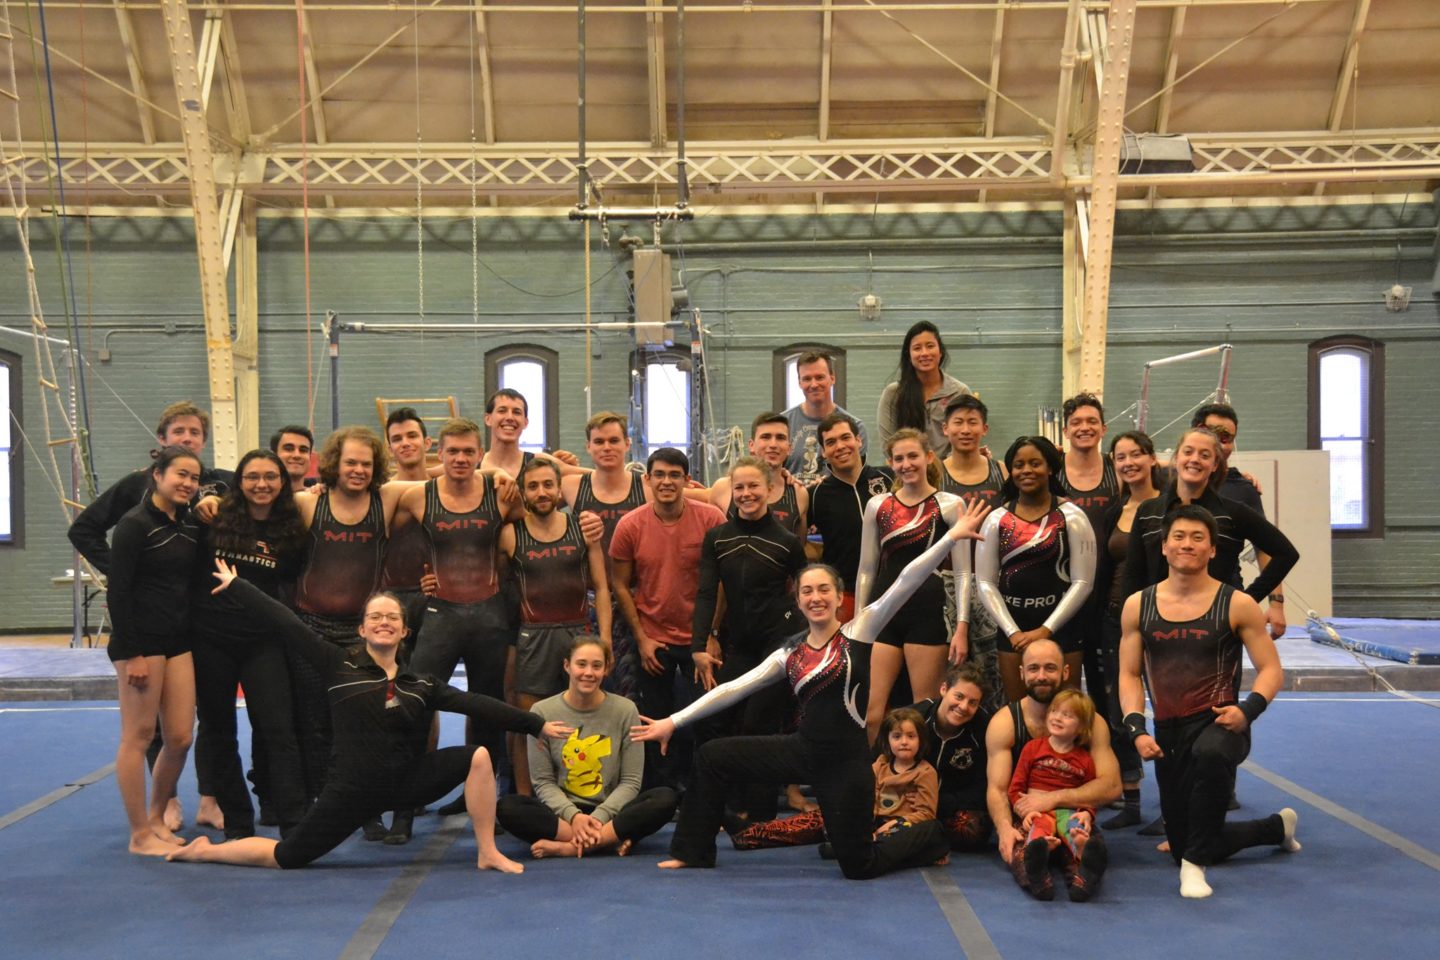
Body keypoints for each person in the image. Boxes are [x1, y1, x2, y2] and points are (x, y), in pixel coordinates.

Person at [630, 498, 989, 880]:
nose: (815, 598)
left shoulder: (861, 631)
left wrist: (950, 537)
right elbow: (734, 688)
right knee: (712, 756)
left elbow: (906, 580)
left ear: (838, 598)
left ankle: (930, 836)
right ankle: (694, 851)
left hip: (847, 765)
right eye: (807, 592)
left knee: (858, 866)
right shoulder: (790, 653)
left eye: (823, 591)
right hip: (801, 752)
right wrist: (673, 721)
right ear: (798, 601)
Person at [167, 563, 571, 873]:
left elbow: (478, 704)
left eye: (392, 618)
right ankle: (208, 852)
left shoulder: (420, 683)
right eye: (375, 617)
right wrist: (239, 587)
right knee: (286, 857)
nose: (383, 622)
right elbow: (285, 622)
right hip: (350, 791)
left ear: (404, 632)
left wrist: (535, 724)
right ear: (361, 629)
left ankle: (487, 852)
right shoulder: (337, 664)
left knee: (477, 756)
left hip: (407, 783)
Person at [1118, 505, 1301, 899]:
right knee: (1186, 839)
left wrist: (1247, 710)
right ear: (1164, 547)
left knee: (1211, 756)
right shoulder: (1138, 605)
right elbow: (1130, 674)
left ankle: (1193, 868)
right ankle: (1275, 828)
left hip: (1222, 721)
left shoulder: (1236, 604)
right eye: (1179, 537)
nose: (1188, 544)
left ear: (1213, 550)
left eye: (1198, 538)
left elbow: (1271, 669)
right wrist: (1136, 728)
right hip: (1169, 729)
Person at [68, 400, 233, 830]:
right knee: (144, 733)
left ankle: (183, 806)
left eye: (195, 433)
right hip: (143, 632)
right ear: (160, 447)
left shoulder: (204, 498)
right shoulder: (136, 509)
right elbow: (85, 534)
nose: (187, 439)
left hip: (186, 628)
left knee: (187, 730)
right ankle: (151, 819)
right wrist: (122, 567)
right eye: (179, 432)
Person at [189, 450, 308, 841]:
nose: (262, 484)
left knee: (279, 730)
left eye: (270, 477)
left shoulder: (290, 529)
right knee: (219, 730)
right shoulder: (214, 519)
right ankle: (238, 824)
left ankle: (294, 823)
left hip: (263, 642)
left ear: (282, 480)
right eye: (253, 476)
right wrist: (199, 501)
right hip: (212, 640)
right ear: (239, 481)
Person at [690, 457, 808, 819]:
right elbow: (708, 592)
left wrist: (803, 640)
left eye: (753, 486)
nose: (746, 494)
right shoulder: (717, 538)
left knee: (760, 723)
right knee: (716, 718)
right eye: (739, 487)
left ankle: (759, 814)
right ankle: (727, 806)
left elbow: (806, 592)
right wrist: (699, 645)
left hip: (777, 644)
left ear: (770, 490)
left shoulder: (786, 541)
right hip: (737, 643)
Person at [495, 637, 679, 859]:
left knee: (665, 799)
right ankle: (608, 841)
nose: (589, 673)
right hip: (562, 814)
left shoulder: (626, 710)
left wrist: (600, 817)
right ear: (567, 666)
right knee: (508, 807)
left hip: (611, 812)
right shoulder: (541, 711)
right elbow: (543, 782)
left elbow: (631, 782)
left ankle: (571, 847)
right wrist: (574, 817)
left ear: (606, 669)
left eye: (596, 666)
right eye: (581, 664)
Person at [106, 445, 203, 856]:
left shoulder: (189, 524)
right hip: (141, 643)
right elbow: (118, 591)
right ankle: (138, 834)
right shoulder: (134, 525)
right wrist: (131, 654)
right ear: (157, 475)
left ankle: (156, 816)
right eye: (180, 474)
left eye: (195, 478)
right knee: (139, 735)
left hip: (178, 641)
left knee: (180, 736)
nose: (188, 483)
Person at [609, 448, 726, 790]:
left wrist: (711, 633)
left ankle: (704, 791)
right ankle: (662, 793)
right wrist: (641, 638)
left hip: (699, 640)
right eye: (659, 474)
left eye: (675, 475)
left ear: (687, 480)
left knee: (704, 717)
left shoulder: (711, 520)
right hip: (653, 639)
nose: (666, 482)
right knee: (655, 718)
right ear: (647, 480)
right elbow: (619, 582)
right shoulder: (630, 525)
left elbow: (721, 581)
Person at [497, 457, 611, 795]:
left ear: (560, 489)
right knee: (527, 721)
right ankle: (523, 798)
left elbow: (602, 588)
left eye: (548, 484)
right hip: (532, 636)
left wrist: (604, 641)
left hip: (579, 633)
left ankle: (582, 794)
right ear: (522, 492)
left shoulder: (583, 528)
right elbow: (488, 582)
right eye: (533, 486)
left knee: (584, 717)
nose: (542, 492)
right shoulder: (509, 534)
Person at [854, 428, 972, 740]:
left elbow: (962, 573)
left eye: (913, 456)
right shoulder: (877, 505)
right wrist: (858, 624)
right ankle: (868, 783)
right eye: (899, 458)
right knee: (870, 713)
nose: (906, 464)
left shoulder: (949, 505)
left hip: (927, 613)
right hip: (883, 614)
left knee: (924, 712)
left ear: (929, 457)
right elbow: (867, 568)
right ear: (891, 463)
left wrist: (962, 626)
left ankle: (922, 784)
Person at [1120, 427, 1298, 625]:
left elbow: (1286, 554)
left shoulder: (1232, 513)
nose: (1195, 459)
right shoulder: (1148, 511)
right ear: (1176, 458)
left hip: (1216, 626)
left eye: (1205, 455)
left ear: (1215, 465)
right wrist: (1131, 625)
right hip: (1156, 624)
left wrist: (1248, 599)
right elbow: (1133, 575)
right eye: (1188, 452)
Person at [983, 638, 1120, 894]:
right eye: (1033, 669)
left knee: (1087, 853)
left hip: (1071, 812)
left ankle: (1080, 879)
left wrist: (1053, 800)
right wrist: (1003, 829)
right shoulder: (1006, 723)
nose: (1041, 676)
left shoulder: (1092, 723)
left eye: (1050, 668)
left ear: (1065, 672)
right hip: (1027, 817)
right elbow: (998, 788)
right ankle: (1039, 878)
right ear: (1022, 674)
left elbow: (1111, 786)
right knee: (1025, 856)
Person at [975, 436, 1096, 702]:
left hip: (1062, 628)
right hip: (1013, 629)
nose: (1026, 470)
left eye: (1035, 463)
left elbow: (1083, 582)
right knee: (1020, 712)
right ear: (1011, 470)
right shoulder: (997, 520)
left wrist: (1046, 629)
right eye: (1019, 465)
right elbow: (984, 582)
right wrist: (1011, 631)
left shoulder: (1072, 517)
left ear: (1050, 467)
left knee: (1067, 713)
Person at [726, 706, 938, 853]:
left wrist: (895, 822)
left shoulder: (924, 772)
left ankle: (847, 847)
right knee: (816, 820)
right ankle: (752, 834)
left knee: (899, 834)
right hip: (868, 821)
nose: (904, 742)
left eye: (911, 737)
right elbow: (863, 796)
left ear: (921, 740)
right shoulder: (880, 765)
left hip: (897, 825)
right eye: (897, 736)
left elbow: (926, 813)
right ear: (887, 740)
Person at [1095, 430, 1161, 829]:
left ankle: (1174, 806)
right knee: (1119, 709)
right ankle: (1132, 798)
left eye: (1137, 454)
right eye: (1121, 457)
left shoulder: (1169, 506)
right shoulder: (1113, 510)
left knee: (1167, 710)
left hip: (1159, 618)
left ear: (1152, 459)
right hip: (1115, 619)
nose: (1129, 462)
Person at [562, 411, 650, 699]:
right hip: (586, 601)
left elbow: (708, 496)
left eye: (614, 440)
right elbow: (525, 478)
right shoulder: (572, 485)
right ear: (588, 447)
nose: (607, 447)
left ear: (627, 443)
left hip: (634, 599)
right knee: (587, 682)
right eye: (599, 441)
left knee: (631, 685)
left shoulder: (645, 486)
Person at [1190, 402, 1288, 641]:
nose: (1218, 443)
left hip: (1225, 601)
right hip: (1177, 600)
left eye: (1227, 438)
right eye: (1212, 433)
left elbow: (1265, 547)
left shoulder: (1242, 489)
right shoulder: (1168, 481)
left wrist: (1275, 603)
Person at [937, 393, 1006, 709]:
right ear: (944, 429)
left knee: (992, 677)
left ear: (985, 429)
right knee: (952, 674)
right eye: (958, 422)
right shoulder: (933, 473)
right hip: (946, 585)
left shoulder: (1002, 472)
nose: (965, 429)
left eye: (972, 422)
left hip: (992, 582)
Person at [1007, 689, 1107, 901]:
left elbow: (1089, 794)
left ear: (1081, 727)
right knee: (1032, 836)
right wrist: (1023, 811)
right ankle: (1037, 870)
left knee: (1077, 831)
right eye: (1054, 711)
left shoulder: (1085, 759)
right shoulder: (1033, 749)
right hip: (1037, 812)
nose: (1057, 717)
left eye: (1067, 715)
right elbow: (1015, 788)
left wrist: (1088, 813)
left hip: (1068, 812)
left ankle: (1083, 868)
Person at [1055, 393, 1120, 711]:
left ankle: (1119, 753)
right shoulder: (1051, 472)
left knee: (1107, 682)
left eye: (1092, 421)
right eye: (1076, 422)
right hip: (1061, 589)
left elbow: (1167, 470)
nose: (1084, 427)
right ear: (1065, 431)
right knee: (1063, 681)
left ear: (1104, 429)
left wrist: (1236, 476)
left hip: (1107, 591)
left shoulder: (1117, 469)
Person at [804, 412, 893, 622]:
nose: (840, 446)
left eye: (846, 438)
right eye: (831, 442)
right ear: (824, 452)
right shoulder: (815, 495)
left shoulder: (889, 477)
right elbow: (795, 539)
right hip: (846, 593)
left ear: (858, 440)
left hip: (893, 587)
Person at [907, 661, 991, 851]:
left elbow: (984, 786)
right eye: (959, 696)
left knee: (973, 830)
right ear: (944, 688)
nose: (963, 707)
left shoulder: (985, 728)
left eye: (973, 703)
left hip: (951, 808)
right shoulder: (913, 718)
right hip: (907, 801)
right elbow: (880, 761)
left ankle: (919, 836)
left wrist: (939, 801)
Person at [695, 412, 809, 538]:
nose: (773, 445)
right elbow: (711, 543)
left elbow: (800, 550)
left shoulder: (799, 494)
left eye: (780, 438)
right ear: (751, 445)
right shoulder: (723, 488)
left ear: (789, 448)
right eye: (765, 437)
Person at [875, 321, 970, 454]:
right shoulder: (893, 393)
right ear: (909, 355)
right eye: (917, 348)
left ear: (940, 351)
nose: (924, 353)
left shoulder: (959, 392)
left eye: (930, 346)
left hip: (949, 471)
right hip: (907, 470)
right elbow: (888, 445)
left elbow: (965, 440)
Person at [381, 407, 435, 636]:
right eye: (397, 439)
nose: (405, 443)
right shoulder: (382, 493)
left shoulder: (447, 490)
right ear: (389, 449)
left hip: (436, 597)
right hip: (392, 596)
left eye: (412, 436)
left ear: (428, 442)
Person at [782, 351, 869, 484]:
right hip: (794, 501)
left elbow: (856, 475)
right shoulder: (783, 424)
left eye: (819, 377)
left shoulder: (855, 427)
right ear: (799, 383)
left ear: (832, 378)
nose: (814, 384)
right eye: (807, 379)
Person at [269, 425, 314, 492]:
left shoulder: (320, 498)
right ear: (273, 455)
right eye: (289, 449)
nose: (297, 455)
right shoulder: (260, 499)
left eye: (303, 450)